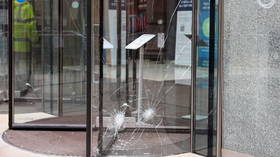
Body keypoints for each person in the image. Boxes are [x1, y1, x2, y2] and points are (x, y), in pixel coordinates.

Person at [13, 0, 38, 96]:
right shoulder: (27, 7)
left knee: (17, 65)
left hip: (15, 43)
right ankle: (24, 87)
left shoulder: (13, 7)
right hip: (25, 43)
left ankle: (18, 86)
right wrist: (35, 39)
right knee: (25, 66)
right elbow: (30, 25)